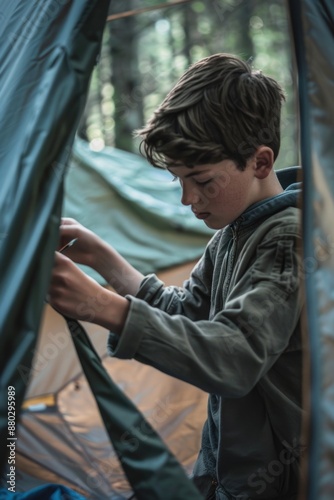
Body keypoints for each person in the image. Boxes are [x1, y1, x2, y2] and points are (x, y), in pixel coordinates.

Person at [49, 54, 305, 499]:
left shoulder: (290, 240)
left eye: (201, 180)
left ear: (261, 163)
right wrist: (107, 261)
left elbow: (236, 355)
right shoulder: (232, 231)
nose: (188, 198)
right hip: (224, 469)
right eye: (177, 180)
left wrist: (101, 306)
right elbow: (189, 312)